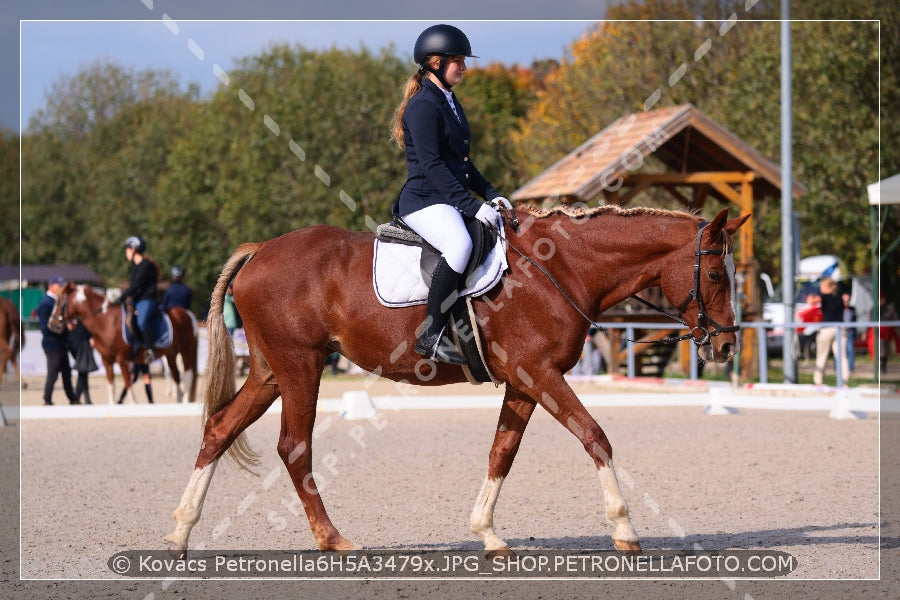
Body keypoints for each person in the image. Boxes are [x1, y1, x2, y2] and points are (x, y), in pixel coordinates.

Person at [389, 23, 507, 364]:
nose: (465, 67)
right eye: (458, 60)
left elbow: (463, 164)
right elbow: (434, 167)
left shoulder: (448, 101)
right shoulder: (423, 105)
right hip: (424, 200)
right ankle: (431, 334)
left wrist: (491, 194)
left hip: (445, 196)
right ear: (435, 62)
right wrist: (472, 206)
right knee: (461, 244)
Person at [117, 236, 161, 363]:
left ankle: (150, 349)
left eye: (127, 250)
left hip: (147, 299)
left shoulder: (146, 265)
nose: (126, 253)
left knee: (141, 321)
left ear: (134, 249)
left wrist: (122, 297)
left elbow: (136, 286)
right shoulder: (135, 267)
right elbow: (133, 287)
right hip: (137, 299)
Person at [36, 275, 76, 405]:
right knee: (53, 373)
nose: (61, 288)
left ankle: (72, 398)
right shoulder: (45, 303)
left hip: (61, 343)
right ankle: (47, 399)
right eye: (59, 286)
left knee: (66, 373)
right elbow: (44, 328)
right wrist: (61, 329)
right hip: (52, 343)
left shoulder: (57, 301)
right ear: (52, 286)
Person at [813, 277, 849, 387]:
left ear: (825, 287)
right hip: (840, 328)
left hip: (827, 329)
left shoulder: (825, 296)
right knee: (842, 357)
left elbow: (813, 301)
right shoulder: (839, 297)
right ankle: (845, 382)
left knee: (822, 356)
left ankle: (818, 381)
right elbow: (846, 306)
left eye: (821, 287)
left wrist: (811, 298)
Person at [67, 319, 97, 404]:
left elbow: (88, 331)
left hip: (82, 347)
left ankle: (80, 399)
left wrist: (91, 338)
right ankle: (78, 398)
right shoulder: (70, 316)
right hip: (76, 348)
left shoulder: (82, 319)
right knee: (83, 374)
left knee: (83, 374)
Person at [842, 292, 857, 373]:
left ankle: (851, 368)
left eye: (848, 301)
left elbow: (854, 321)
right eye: (844, 301)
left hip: (850, 332)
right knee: (840, 351)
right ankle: (838, 368)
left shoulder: (852, 309)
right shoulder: (839, 309)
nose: (846, 303)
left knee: (850, 350)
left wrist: (855, 332)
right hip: (841, 333)